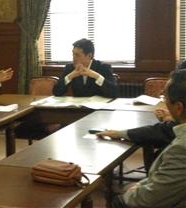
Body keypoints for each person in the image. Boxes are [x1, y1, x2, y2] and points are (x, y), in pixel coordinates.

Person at [111, 69, 186, 208]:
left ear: (179, 107)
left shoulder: (181, 150)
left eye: (165, 98)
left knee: (118, 203)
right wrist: (141, 184)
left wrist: (131, 195)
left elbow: (151, 198)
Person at [52, 38, 119, 98]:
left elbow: (114, 93)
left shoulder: (103, 67)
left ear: (89, 56)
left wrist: (96, 76)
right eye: (73, 54)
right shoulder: (70, 68)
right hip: (78, 109)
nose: (73, 58)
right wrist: (71, 76)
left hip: (98, 109)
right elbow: (56, 92)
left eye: (77, 55)